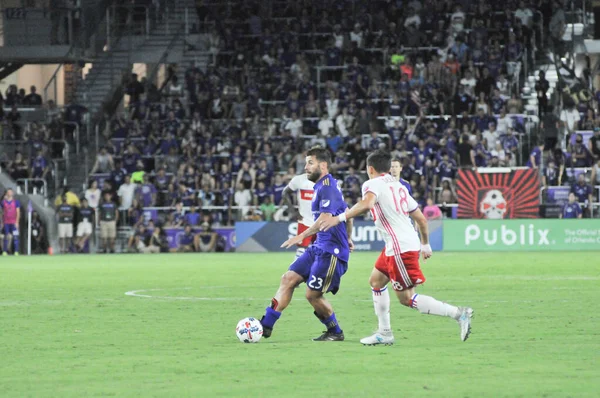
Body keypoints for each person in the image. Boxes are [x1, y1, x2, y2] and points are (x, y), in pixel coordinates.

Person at [320, 150, 473, 345]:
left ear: (370, 169)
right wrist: (425, 243)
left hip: (400, 248)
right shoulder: (399, 187)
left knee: (407, 298)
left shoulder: (372, 183)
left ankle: (459, 314)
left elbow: (367, 204)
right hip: (398, 245)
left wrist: (339, 218)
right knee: (376, 281)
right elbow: (421, 219)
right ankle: (384, 333)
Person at [261, 147, 354, 341]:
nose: (306, 167)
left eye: (310, 163)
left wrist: (298, 237)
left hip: (331, 252)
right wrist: (349, 237)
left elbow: (323, 220)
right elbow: (348, 212)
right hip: (319, 247)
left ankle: (335, 331)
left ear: (323, 165)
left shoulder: (327, 186)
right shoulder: (324, 185)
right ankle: (265, 326)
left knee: (312, 295)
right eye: (306, 163)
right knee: (288, 278)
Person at [281, 172, 315, 258]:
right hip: (304, 221)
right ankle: (296, 270)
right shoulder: (299, 179)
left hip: (321, 221)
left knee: (323, 251)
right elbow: (285, 192)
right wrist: (292, 212)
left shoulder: (325, 181)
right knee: (301, 250)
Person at [1, 188, 20, 255]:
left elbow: (18, 212)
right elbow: (2, 212)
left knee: (15, 236)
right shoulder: (3, 202)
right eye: (8, 192)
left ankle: (16, 251)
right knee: (6, 236)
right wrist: (2, 222)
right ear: (6, 193)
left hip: (13, 222)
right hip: (6, 222)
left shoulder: (16, 202)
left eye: (11, 192)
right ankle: (5, 251)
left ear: (12, 193)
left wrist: (17, 222)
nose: (10, 193)